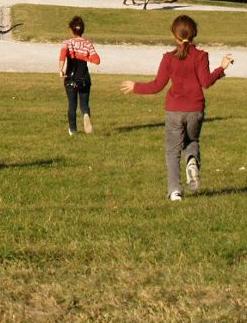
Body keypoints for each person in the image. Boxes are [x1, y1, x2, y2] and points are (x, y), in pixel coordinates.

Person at [120, 15, 234, 202]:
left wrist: (135, 86)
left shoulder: (168, 58)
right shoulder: (201, 56)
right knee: (192, 141)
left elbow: (157, 85)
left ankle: (175, 190)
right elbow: (206, 82)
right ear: (194, 33)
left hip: (174, 110)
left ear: (174, 35)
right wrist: (221, 68)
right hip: (195, 109)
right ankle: (191, 161)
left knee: (172, 151)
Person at [59, 16, 101, 135]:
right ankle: (86, 114)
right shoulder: (88, 43)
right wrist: (84, 57)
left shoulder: (67, 43)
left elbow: (62, 56)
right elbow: (97, 60)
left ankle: (73, 130)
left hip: (71, 78)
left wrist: (60, 70)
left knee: (72, 105)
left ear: (71, 30)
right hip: (84, 79)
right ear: (82, 30)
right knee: (84, 104)